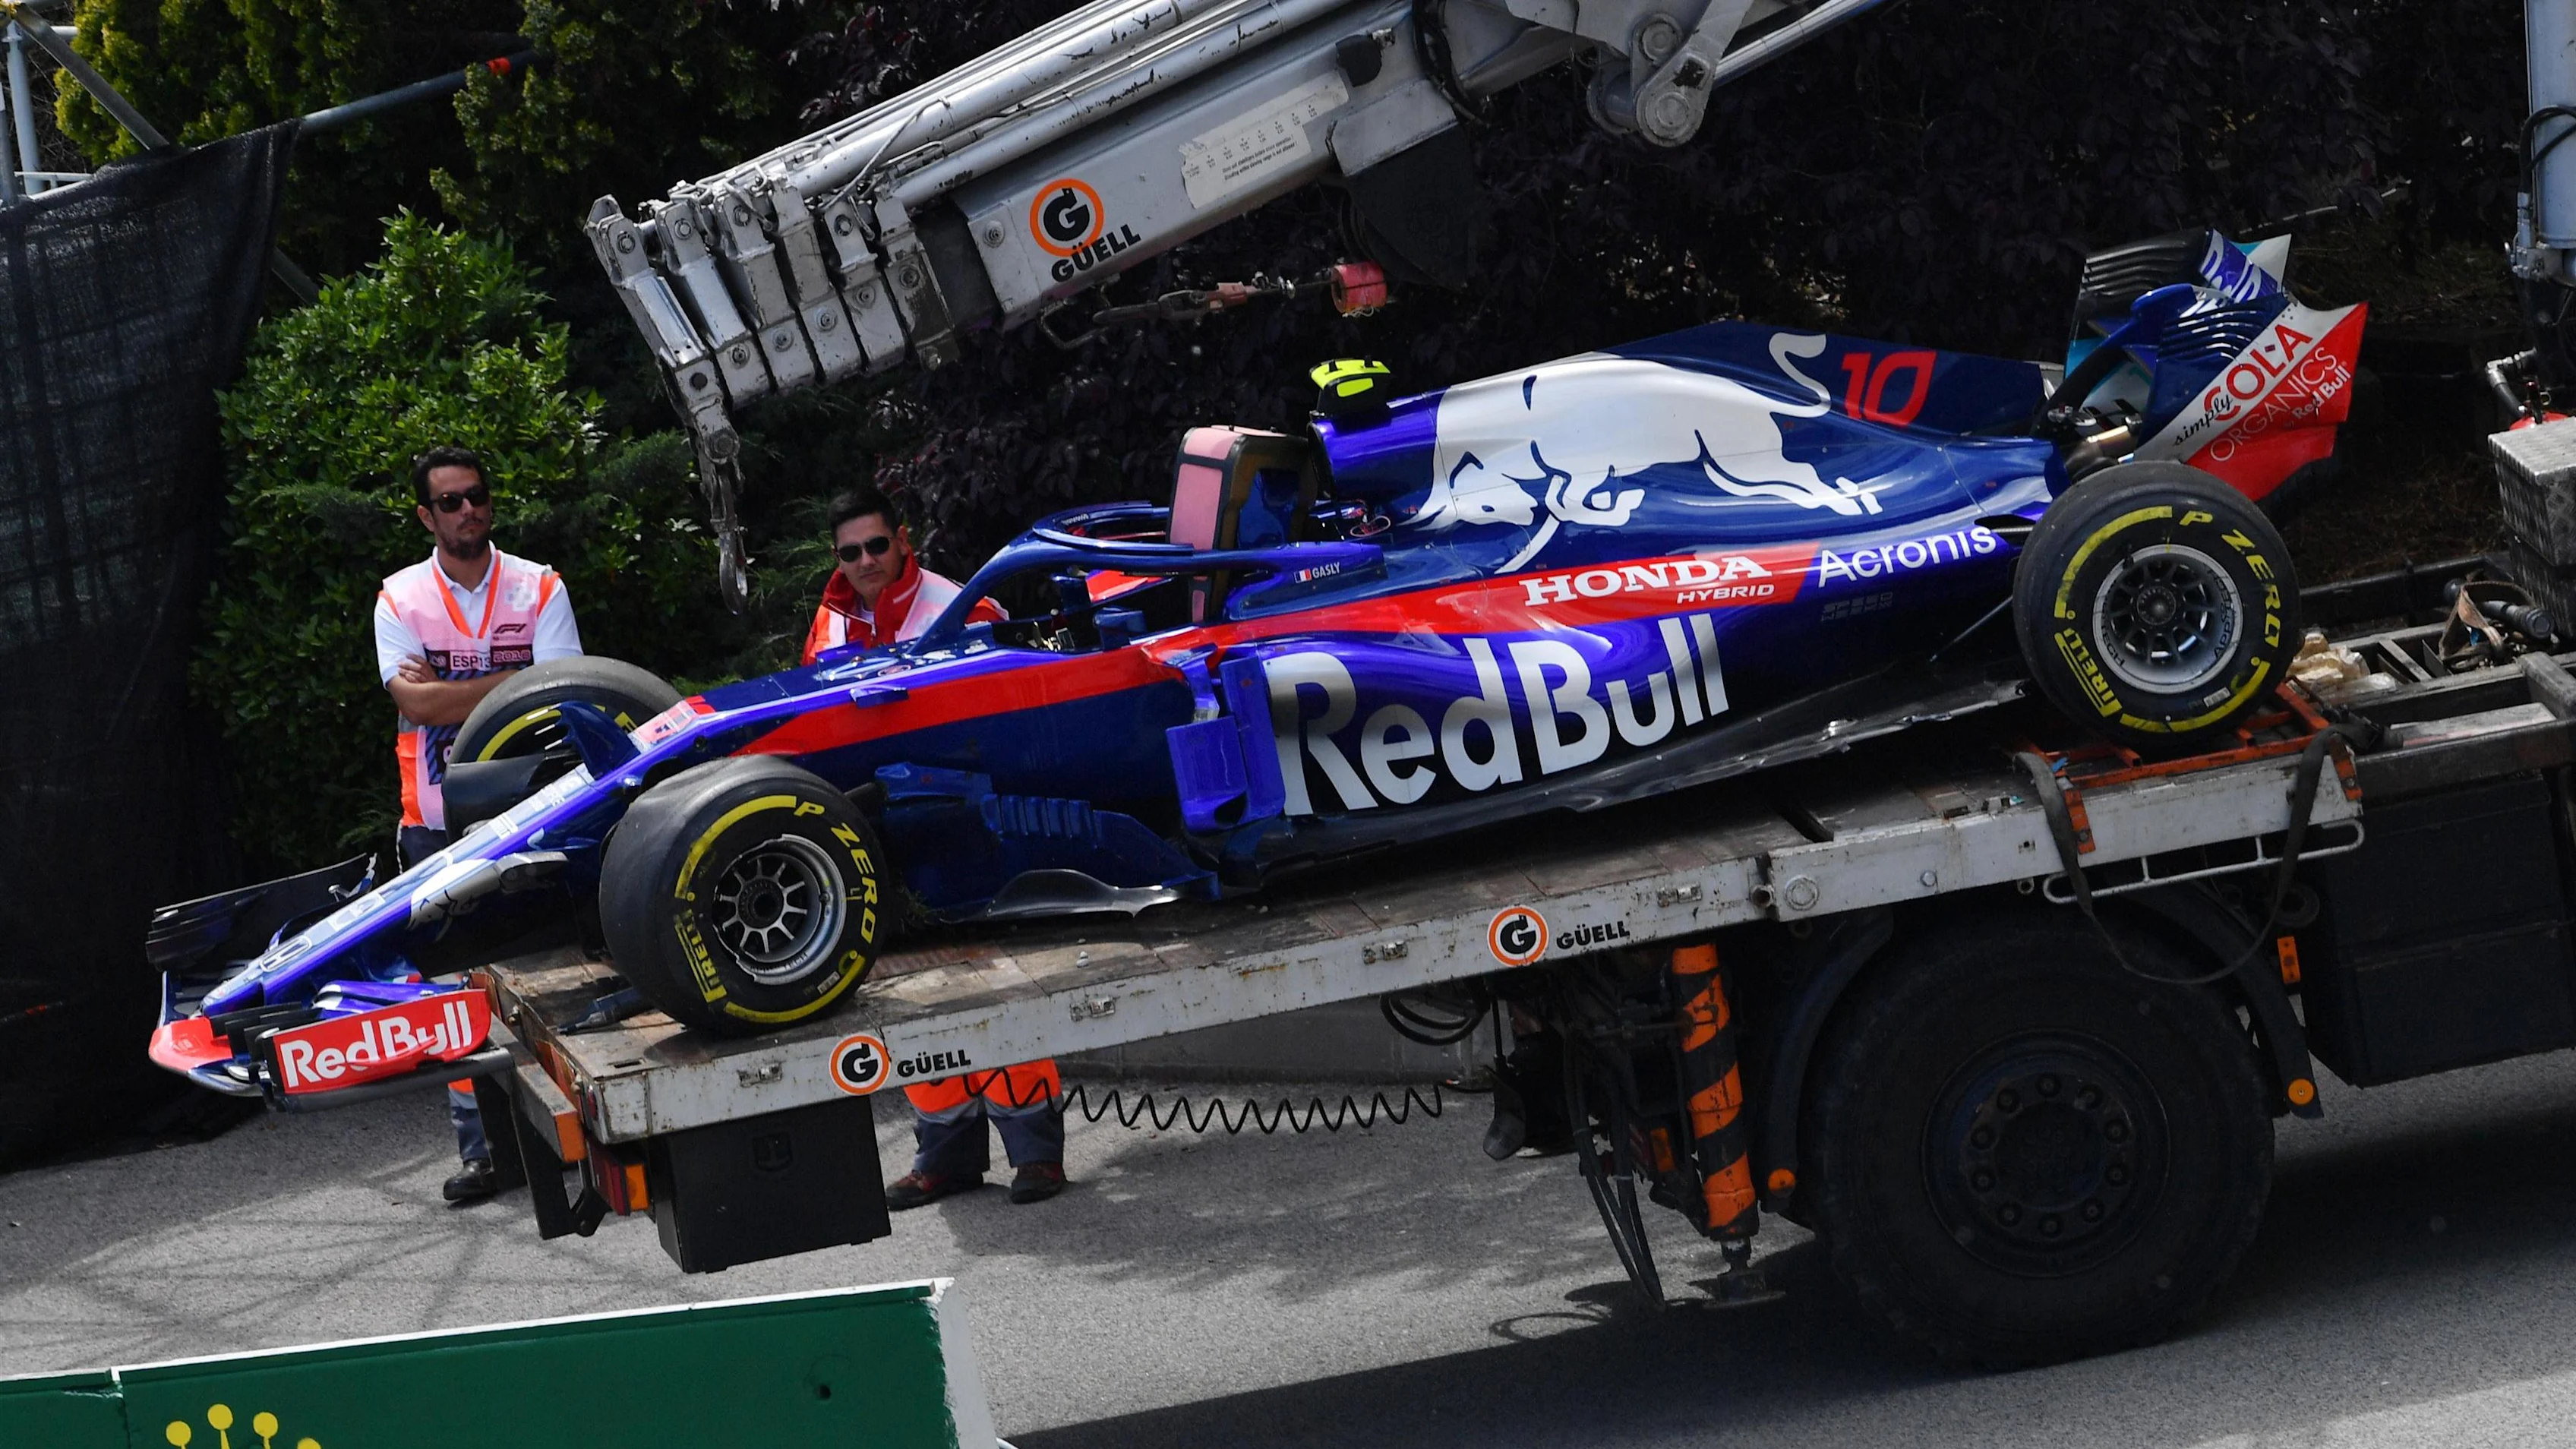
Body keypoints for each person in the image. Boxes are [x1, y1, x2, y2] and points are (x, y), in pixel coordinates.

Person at [802, 486, 1064, 1206]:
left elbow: (1016, 701)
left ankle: (1035, 1153)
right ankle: (945, 1156)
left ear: (902, 539)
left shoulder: (959, 606)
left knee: (1004, 987)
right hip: (886, 830)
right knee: (912, 1001)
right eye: (850, 552)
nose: (865, 562)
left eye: (876, 547)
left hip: (974, 820)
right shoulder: (829, 622)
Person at [374, 445, 582, 1205]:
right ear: (426, 515)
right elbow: (415, 707)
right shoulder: (398, 599)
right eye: (451, 502)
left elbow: (561, 692)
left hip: (535, 811)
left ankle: (576, 1141)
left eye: (477, 497)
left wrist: (453, 685)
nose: (468, 511)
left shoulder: (539, 584)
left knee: (555, 977)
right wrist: (513, 679)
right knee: (456, 995)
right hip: (433, 824)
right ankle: (488, 1153)